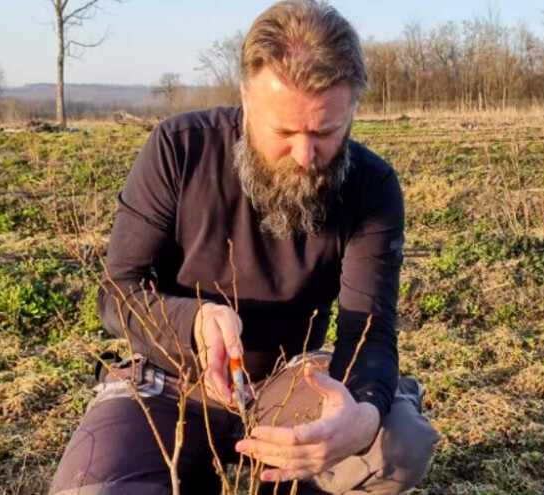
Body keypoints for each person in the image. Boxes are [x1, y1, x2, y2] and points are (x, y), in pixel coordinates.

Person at [49, 1, 439, 494]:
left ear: (353, 110)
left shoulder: (372, 187)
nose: (304, 155)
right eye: (284, 132)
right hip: (168, 383)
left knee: (398, 443)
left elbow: (370, 331)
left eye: (326, 132)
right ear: (246, 98)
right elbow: (117, 294)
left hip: (289, 383)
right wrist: (196, 321)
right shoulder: (180, 148)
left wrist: (361, 415)